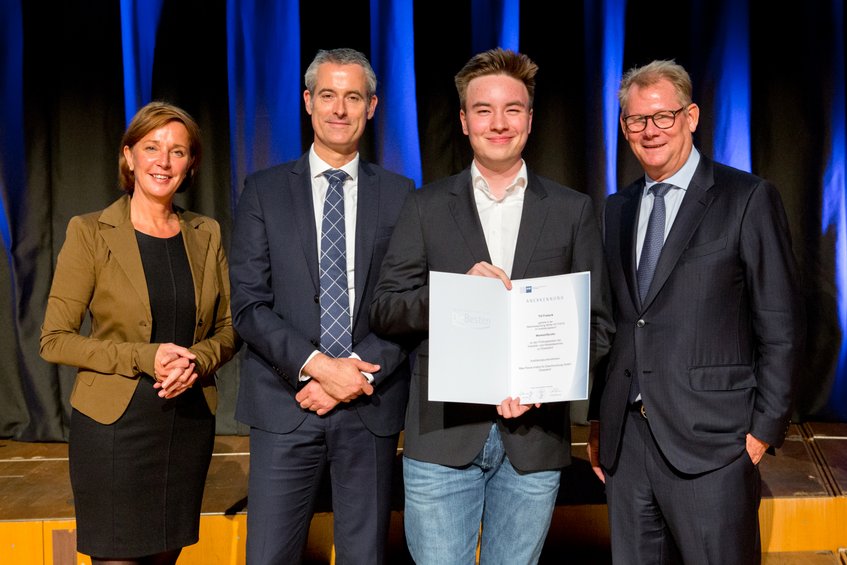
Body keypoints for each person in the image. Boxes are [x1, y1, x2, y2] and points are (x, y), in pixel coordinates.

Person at [370, 48, 615, 565]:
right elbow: (386, 309)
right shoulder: (425, 206)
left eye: (513, 109)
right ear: (463, 121)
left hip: (534, 440)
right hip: (442, 438)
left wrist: (544, 387)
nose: (498, 123)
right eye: (483, 110)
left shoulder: (573, 211)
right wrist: (453, 291)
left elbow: (597, 327)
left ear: (530, 118)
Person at [586, 59, 804, 564]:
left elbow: (781, 324)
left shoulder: (746, 198)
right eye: (637, 120)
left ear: (692, 117)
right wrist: (603, 421)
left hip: (715, 444)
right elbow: (623, 324)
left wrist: (760, 434)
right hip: (629, 446)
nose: (650, 130)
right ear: (624, 129)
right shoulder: (617, 208)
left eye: (663, 116)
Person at [228, 47, 413, 564]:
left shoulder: (401, 195)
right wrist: (320, 370)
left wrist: (354, 374)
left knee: (365, 555)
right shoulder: (262, 191)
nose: (339, 108)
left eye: (352, 96)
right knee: (269, 556)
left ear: (372, 106)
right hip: (286, 401)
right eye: (327, 95)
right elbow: (248, 304)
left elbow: (408, 303)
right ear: (308, 102)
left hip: (367, 401)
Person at [39, 101, 239, 565]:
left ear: (191, 164)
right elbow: (54, 339)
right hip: (114, 430)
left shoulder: (204, 232)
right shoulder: (90, 232)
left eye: (177, 151)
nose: (163, 162)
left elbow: (230, 328)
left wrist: (197, 360)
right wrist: (144, 357)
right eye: (151, 148)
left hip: (185, 426)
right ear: (129, 156)